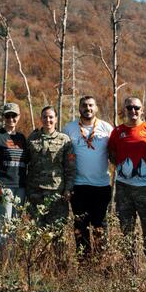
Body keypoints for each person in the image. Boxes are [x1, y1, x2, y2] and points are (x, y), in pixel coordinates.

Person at [107, 97, 146, 260]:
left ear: (142, 110)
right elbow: (111, 153)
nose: (133, 111)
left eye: (136, 108)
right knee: (126, 228)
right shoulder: (117, 131)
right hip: (124, 187)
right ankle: (131, 265)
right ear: (124, 110)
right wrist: (122, 169)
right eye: (129, 107)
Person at [63, 96, 114, 258]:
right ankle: (84, 264)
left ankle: (101, 262)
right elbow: (63, 157)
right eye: (84, 105)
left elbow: (115, 153)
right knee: (80, 226)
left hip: (102, 186)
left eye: (91, 105)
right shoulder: (69, 129)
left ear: (96, 108)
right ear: (79, 108)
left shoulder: (107, 128)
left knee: (100, 226)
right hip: (79, 186)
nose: (88, 108)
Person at [0, 102, 27, 259]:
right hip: (5, 185)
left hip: (20, 186)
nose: (11, 119)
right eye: (7, 115)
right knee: (5, 223)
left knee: (15, 225)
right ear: (3, 117)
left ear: (18, 117)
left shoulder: (22, 138)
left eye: (14, 115)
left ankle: (11, 258)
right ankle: (1, 259)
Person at [25, 106, 76, 230]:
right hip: (35, 193)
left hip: (56, 193)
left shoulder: (64, 140)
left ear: (56, 119)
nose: (48, 120)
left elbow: (70, 168)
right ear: (41, 119)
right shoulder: (32, 139)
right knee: (34, 231)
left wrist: (68, 189)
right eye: (45, 117)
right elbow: (24, 164)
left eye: (51, 117)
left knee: (57, 232)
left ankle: (57, 251)